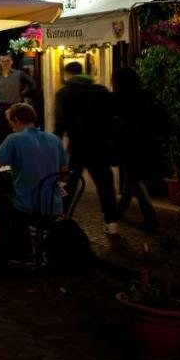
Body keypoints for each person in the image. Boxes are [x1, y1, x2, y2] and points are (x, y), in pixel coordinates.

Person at [54, 61, 119, 234]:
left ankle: (63, 215)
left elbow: (60, 124)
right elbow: (110, 117)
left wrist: (55, 146)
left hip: (78, 145)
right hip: (99, 144)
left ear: (67, 74)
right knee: (105, 183)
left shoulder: (64, 93)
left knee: (70, 182)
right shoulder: (100, 91)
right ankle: (111, 221)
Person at [0, 102, 68, 217]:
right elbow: (65, 175)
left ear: (15, 119)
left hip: (27, 206)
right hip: (53, 205)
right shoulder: (55, 139)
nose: (11, 127)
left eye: (11, 123)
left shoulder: (14, 139)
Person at [111, 67, 160, 231]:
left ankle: (150, 216)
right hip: (144, 144)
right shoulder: (145, 95)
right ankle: (120, 210)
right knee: (131, 177)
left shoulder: (120, 98)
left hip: (129, 145)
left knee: (135, 179)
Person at [0, 53, 34, 147]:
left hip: (16, 106)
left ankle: (19, 148)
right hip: (1, 106)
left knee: (18, 128)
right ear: (0, 62)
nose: (5, 63)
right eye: (2, 61)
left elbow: (32, 83)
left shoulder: (18, 74)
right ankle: (5, 150)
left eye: (7, 61)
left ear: (11, 62)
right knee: (2, 130)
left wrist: (24, 92)